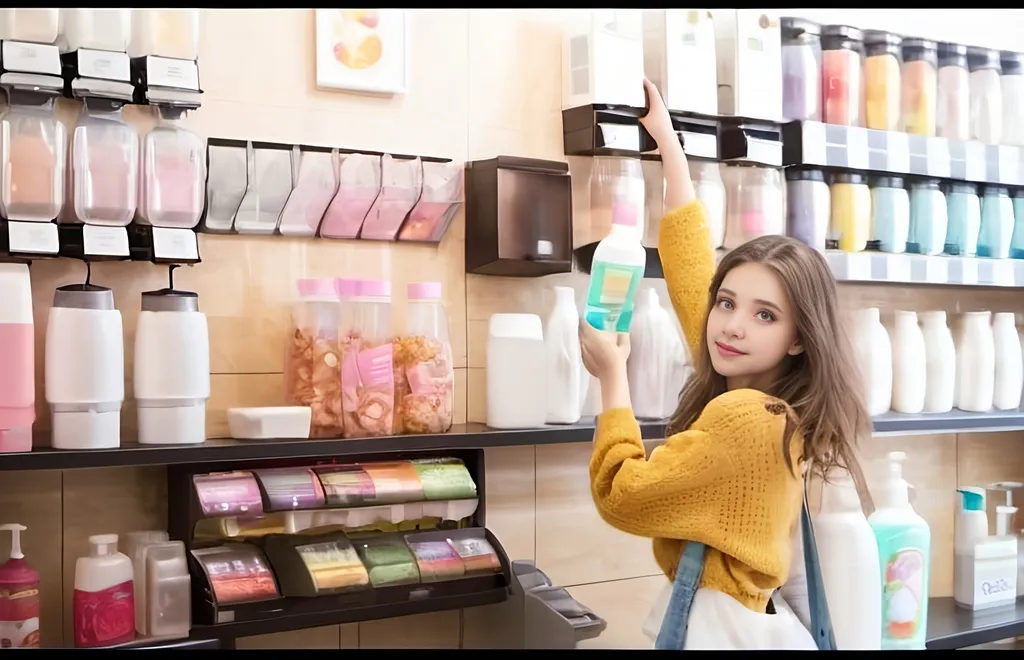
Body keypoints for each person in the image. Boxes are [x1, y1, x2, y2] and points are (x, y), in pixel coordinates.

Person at [578, 79, 871, 650]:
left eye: (766, 315)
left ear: (797, 338)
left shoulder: (747, 418)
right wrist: (667, 144)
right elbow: (693, 278)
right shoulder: (772, 398)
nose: (733, 324)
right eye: (729, 302)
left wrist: (611, 377)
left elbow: (621, 494)